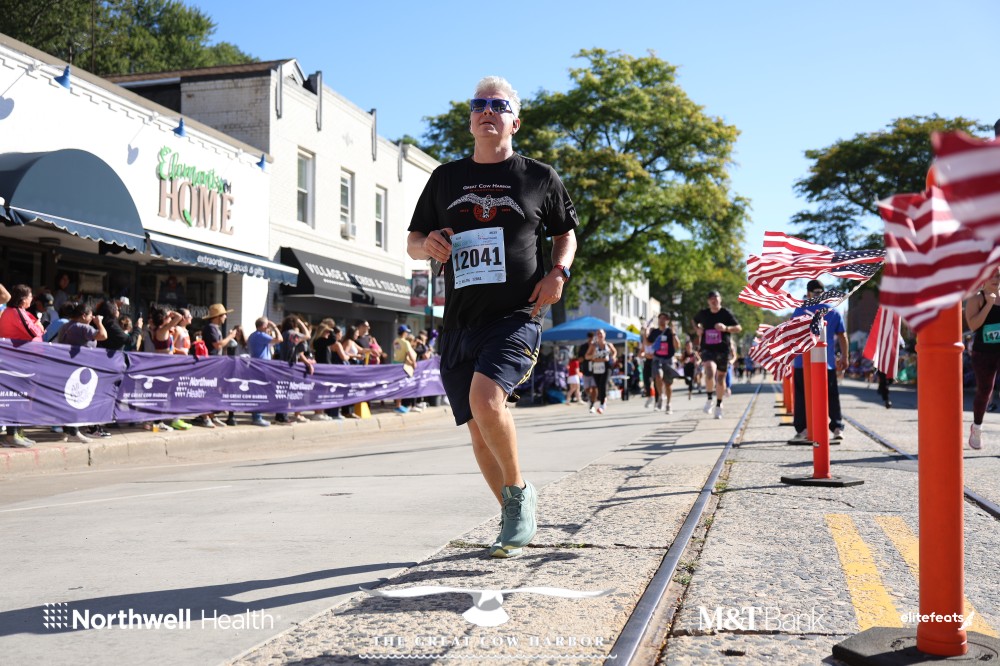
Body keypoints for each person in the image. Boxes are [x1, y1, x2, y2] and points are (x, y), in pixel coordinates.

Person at [407, 75, 578, 559]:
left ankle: (519, 492)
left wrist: (558, 273)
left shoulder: (539, 177)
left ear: (514, 122)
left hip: (516, 315)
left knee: (486, 401)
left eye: (499, 106)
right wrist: (427, 245)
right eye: (479, 104)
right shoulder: (445, 178)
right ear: (470, 121)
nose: (487, 111)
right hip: (459, 322)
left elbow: (565, 233)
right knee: (478, 427)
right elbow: (414, 241)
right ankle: (510, 516)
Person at [789, 279, 849, 443]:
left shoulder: (800, 310)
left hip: (802, 362)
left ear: (808, 294)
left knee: (802, 397)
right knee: (831, 396)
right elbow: (842, 336)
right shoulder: (833, 311)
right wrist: (845, 356)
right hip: (826, 363)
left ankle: (803, 429)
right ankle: (837, 427)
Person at [0, 284, 44, 448]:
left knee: (19, 397)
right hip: (17, 362)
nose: (32, 299)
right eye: (30, 296)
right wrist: (39, 327)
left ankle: (16, 433)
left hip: (19, 361)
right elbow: (33, 332)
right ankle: (11, 435)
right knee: (16, 398)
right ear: (23, 299)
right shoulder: (15, 312)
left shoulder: (14, 311)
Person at [964, 266, 1000, 450]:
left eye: (998, 276)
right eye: (991, 276)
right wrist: (988, 304)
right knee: (985, 390)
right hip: (983, 352)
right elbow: (973, 325)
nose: (995, 279)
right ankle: (977, 427)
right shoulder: (977, 298)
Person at [694, 290, 742, 419]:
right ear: (708, 301)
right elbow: (694, 320)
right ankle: (710, 398)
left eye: (716, 298)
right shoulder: (703, 313)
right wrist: (697, 329)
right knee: (709, 371)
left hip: (722, 349)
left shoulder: (725, 313)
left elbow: (738, 328)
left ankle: (719, 405)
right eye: (711, 298)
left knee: (720, 378)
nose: (714, 300)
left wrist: (726, 328)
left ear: (720, 299)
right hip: (707, 348)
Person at [198, 303, 240, 428]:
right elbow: (218, 345)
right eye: (224, 315)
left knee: (214, 390)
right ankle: (205, 417)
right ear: (218, 316)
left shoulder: (215, 328)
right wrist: (231, 336)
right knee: (208, 390)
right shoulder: (210, 328)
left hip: (216, 363)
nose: (226, 317)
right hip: (210, 363)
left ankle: (211, 415)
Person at [247, 317, 283, 426]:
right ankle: (257, 417)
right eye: (267, 325)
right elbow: (280, 339)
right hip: (261, 367)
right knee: (259, 391)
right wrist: (275, 327)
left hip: (256, 365)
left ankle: (257, 415)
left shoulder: (253, 335)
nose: (268, 327)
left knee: (257, 391)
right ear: (263, 326)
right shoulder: (261, 335)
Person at [644, 312, 681, 414]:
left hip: (668, 359)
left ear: (668, 321)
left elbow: (677, 346)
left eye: (664, 318)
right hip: (657, 358)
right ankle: (660, 396)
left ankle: (668, 404)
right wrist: (644, 333)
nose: (662, 320)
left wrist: (673, 333)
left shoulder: (670, 332)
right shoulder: (655, 332)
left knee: (668, 384)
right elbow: (648, 343)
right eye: (660, 318)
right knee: (658, 375)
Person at [585, 329, 617, 414]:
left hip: (606, 367)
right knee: (599, 386)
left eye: (601, 333)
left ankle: (602, 404)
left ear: (605, 334)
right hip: (596, 367)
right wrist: (593, 356)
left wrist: (613, 357)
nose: (600, 335)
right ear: (596, 335)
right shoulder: (593, 345)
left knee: (603, 384)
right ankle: (603, 399)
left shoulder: (608, 345)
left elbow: (614, 352)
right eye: (598, 333)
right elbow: (586, 356)